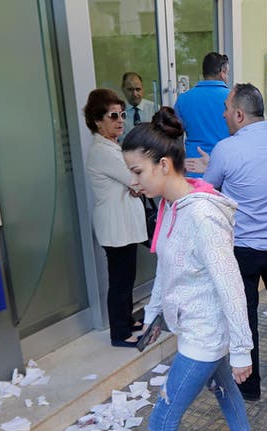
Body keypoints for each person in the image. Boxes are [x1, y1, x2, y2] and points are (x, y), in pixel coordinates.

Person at [82, 108, 261, 431]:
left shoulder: (200, 214)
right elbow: (165, 266)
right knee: (223, 388)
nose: (134, 181)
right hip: (194, 326)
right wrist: (158, 314)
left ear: (164, 165)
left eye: (137, 171)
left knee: (162, 418)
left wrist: (242, 350)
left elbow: (231, 286)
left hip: (206, 333)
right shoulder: (171, 206)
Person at [200, 83, 267, 401]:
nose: (223, 114)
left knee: (245, 315)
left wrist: (207, 168)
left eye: (227, 109)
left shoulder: (227, 149)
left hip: (243, 248)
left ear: (240, 114)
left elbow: (207, 193)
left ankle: (250, 386)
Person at [82, 88, 148, 347]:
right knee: (120, 280)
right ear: (98, 120)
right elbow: (135, 181)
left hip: (123, 225)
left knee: (126, 276)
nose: (120, 120)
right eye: (113, 115)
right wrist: (136, 183)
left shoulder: (112, 146)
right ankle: (119, 333)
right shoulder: (103, 151)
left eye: (121, 114)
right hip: (115, 227)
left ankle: (127, 320)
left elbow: (134, 183)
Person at [175, 52, 230, 178]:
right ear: (222, 71)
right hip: (224, 169)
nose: (227, 78)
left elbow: (175, 137)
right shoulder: (233, 99)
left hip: (192, 169)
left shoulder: (183, 99)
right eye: (227, 73)